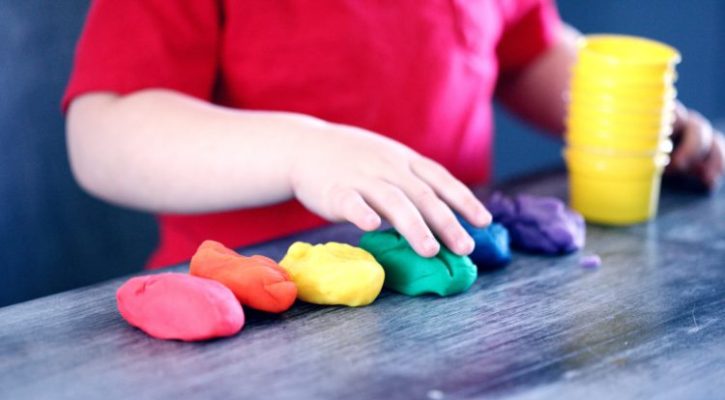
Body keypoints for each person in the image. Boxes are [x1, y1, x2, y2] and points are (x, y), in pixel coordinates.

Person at [63, 0, 724, 269]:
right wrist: (303, 151)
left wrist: (636, 122)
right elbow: (105, 132)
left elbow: (525, 51)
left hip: (456, 292)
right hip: (250, 308)